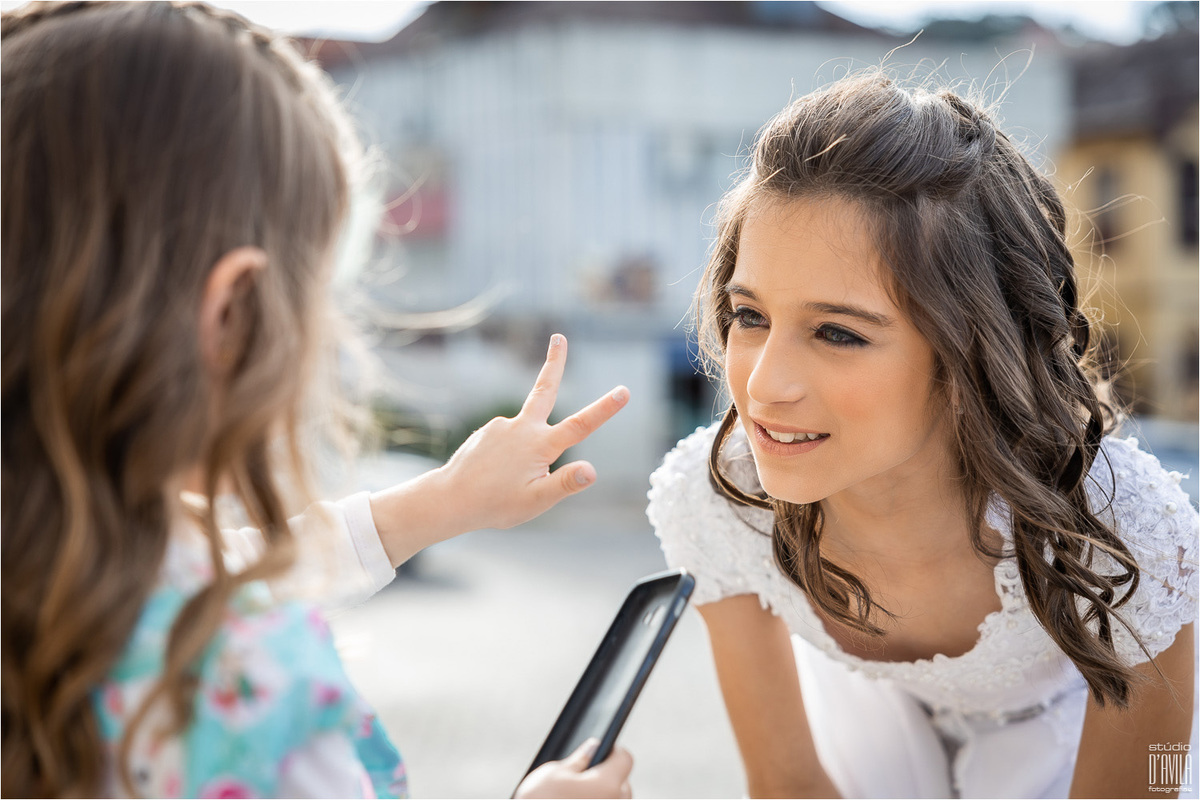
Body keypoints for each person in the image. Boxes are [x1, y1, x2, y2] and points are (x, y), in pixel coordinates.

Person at [1, 2, 633, 798]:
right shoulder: (243, 677)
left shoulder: (66, 566)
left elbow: (227, 564)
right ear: (232, 308)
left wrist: (444, 500)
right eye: (323, 294)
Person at [649, 71, 1198, 799]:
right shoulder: (718, 500)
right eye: (750, 315)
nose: (761, 385)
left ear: (971, 350)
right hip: (867, 723)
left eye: (837, 332)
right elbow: (787, 783)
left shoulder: (1128, 536)